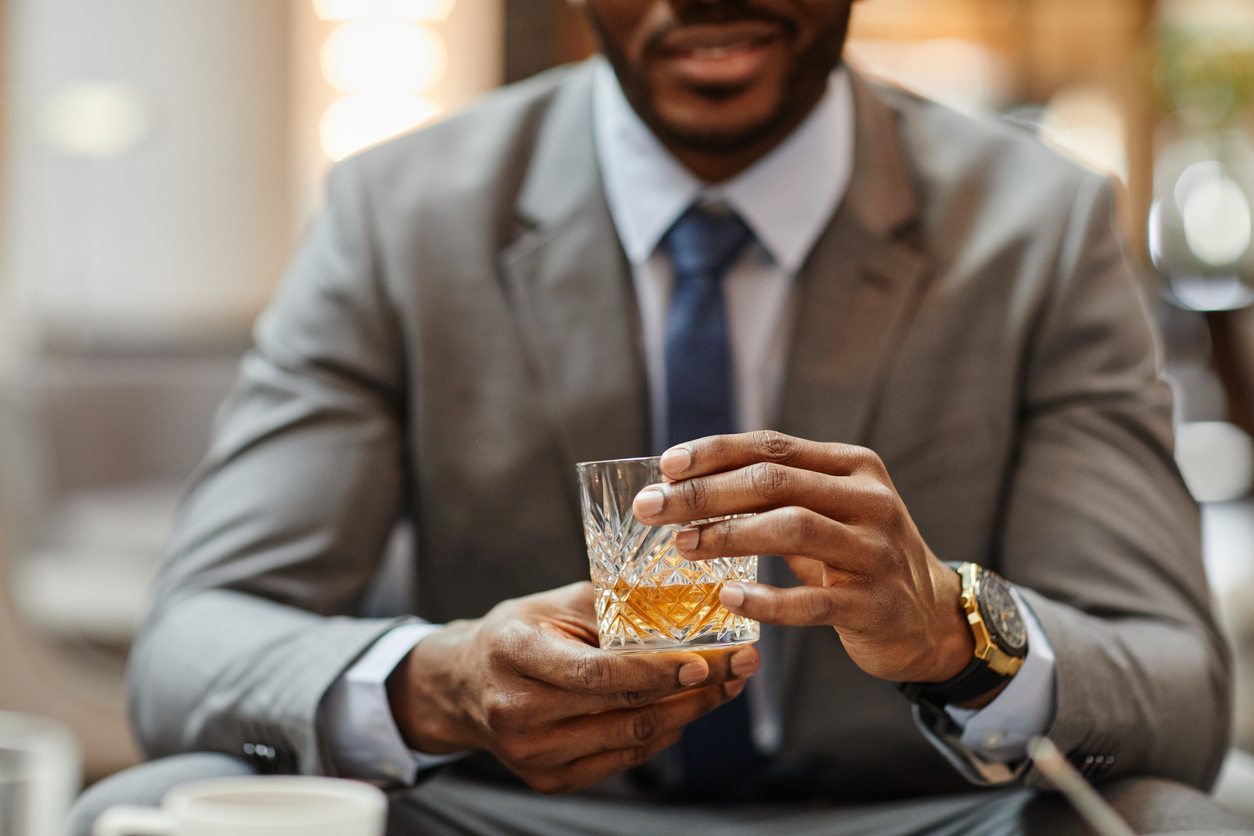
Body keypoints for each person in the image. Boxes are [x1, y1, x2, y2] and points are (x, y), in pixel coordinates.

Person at [67, 0, 1252, 834]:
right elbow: (192, 641)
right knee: (138, 808)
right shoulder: (399, 213)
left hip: (915, 808)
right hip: (505, 811)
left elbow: (1183, 686)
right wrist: (437, 683)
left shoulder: (1040, 227)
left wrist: (956, 627)